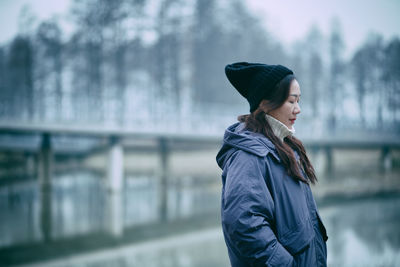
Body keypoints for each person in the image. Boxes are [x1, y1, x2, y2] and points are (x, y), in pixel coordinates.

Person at [216, 62, 328, 266]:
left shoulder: (284, 147)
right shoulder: (249, 155)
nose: (298, 109)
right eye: (292, 101)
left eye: (299, 101)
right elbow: (244, 225)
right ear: (267, 103)